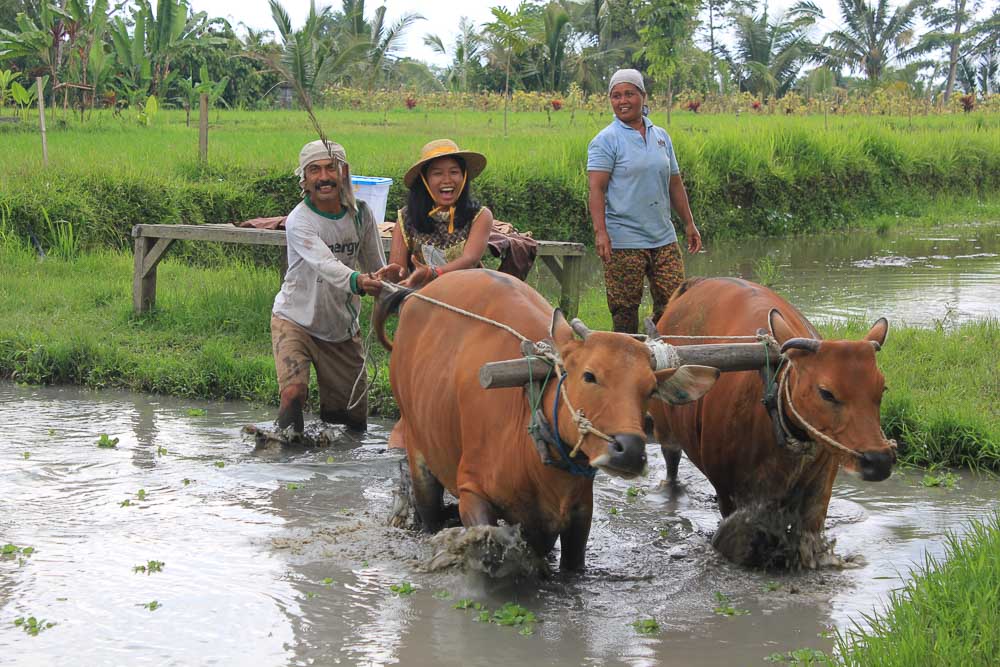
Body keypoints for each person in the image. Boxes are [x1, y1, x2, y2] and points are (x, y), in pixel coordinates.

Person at [271, 139, 385, 436]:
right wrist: (359, 281)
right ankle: (284, 461)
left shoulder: (361, 214)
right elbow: (325, 263)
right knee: (293, 393)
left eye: (330, 168)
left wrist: (389, 281)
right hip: (295, 320)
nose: (324, 177)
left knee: (351, 422)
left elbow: (376, 264)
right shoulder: (300, 220)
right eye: (314, 170)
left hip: (341, 330)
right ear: (305, 180)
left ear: (344, 173)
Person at [587, 68, 703, 334]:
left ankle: (664, 360)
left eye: (629, 94)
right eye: (616, 96)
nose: (622, 101)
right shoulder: (606, 140)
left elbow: (674, 183)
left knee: (675, 304)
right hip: (623, 240)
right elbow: (596, 189)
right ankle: (626, 365)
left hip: (663, 237)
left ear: (643, 96)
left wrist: (689, 223)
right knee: (625, 310)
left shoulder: (661, 136)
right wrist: (601, 232)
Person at [379, 139, 494, 288]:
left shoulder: (480, 215)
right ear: (425, 181)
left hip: (469, 296)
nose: (447, 180)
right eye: (437, 173)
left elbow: (470, 259)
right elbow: (397, 272)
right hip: (423, 298)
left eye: (454, 172)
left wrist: (433, 273)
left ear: (464, 177)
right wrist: (392, 274)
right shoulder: (406, 218)